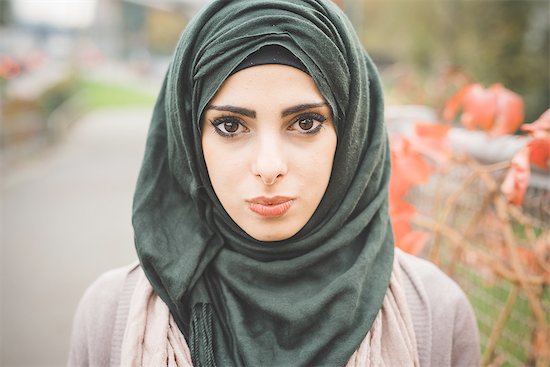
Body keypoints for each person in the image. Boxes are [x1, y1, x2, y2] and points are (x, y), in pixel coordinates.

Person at [68, 0, 480, 366]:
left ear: (353, 133)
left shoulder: (435, 313)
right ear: (190, 138)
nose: (269, 167)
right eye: (230, 125)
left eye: (306, 123)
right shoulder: (111, 315)